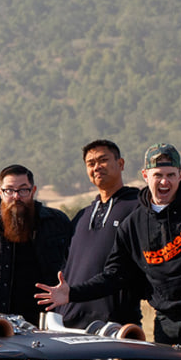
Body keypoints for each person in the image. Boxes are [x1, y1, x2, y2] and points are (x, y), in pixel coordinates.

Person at [36, 143, 181, 349]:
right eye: (158, 175)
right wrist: (72, 293)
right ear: (145, 175)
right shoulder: (134, 222)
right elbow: (115, 274)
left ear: (180, 175)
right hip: (165, 320)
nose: (164, 181)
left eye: (171, 175)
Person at [0, 164, 72, 324]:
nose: (16, 196)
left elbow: (77, 265)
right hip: (2, 327)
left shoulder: (58, 223)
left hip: (54, 320)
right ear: (0, 192)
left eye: (23, 190)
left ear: (33, 191)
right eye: (9, 190)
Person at [57, 140, 147, 329]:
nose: (97, 167)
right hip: (69, 323)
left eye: (103, 160)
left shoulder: (138, 208)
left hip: (115, 324)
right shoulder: (82, 215)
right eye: (90, 164)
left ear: (120, 164)